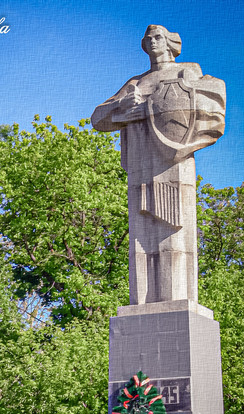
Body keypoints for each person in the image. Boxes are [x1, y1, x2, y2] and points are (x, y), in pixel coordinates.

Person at [92, 26, 225, 305]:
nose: (153, 42)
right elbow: (97, 119)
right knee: (141, 239)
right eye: (148, 39)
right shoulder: (135, 83)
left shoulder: (186, 73)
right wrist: (123, 110)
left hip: (174, 163)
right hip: (141, 168)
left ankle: (176, 298)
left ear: (170, 43)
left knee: (175, 236)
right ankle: (142, 303)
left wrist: (149, 110)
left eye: (158, 37)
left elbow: (213, 104)